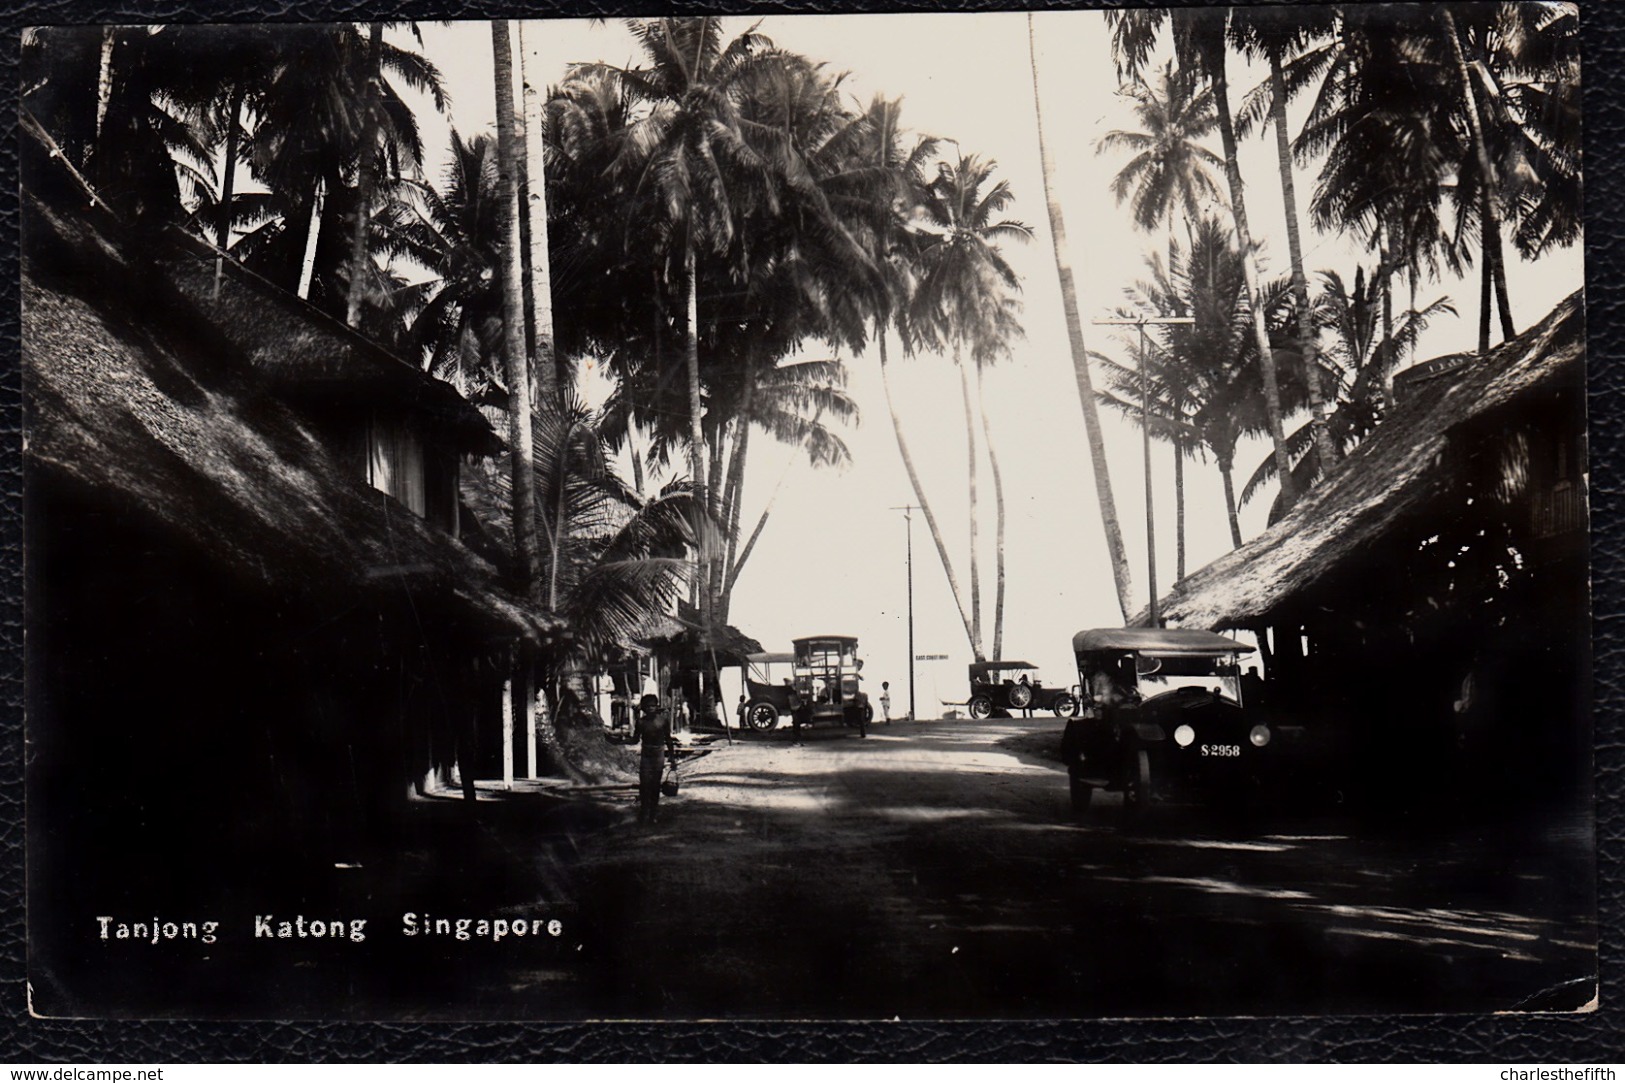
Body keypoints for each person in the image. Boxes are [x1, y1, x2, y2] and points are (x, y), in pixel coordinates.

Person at [635, 694, 675, 824]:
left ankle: (653, 813)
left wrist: (672, 758)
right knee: (644, 784)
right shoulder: (640, 722)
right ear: (643, 708)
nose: (651, 708)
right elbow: (635, 739)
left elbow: (668, 740)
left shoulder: (663, 721)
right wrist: (616, 741)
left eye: (653, 706)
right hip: (646, 754)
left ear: (657, 706)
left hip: (658, 753)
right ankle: (643, 812)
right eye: (648, 706)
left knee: (655, 785)